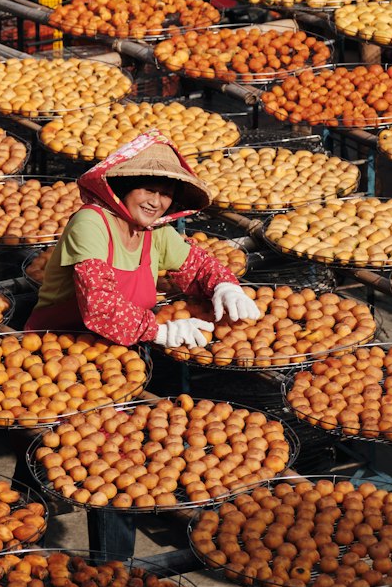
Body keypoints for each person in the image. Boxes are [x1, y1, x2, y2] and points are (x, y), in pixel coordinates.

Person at [26, 129, 260, 557]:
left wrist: (225, 286)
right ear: (122, 189)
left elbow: (197, 264)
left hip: (115, 358)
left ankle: (101, 565)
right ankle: (48, 542)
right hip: (55, 355)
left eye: (166, 193)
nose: (157, 201)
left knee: (104, 457)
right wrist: (159, 330)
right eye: (148, 189)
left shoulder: (154, 232)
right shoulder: (91, 223)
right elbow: (97, 303)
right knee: (94, 459)